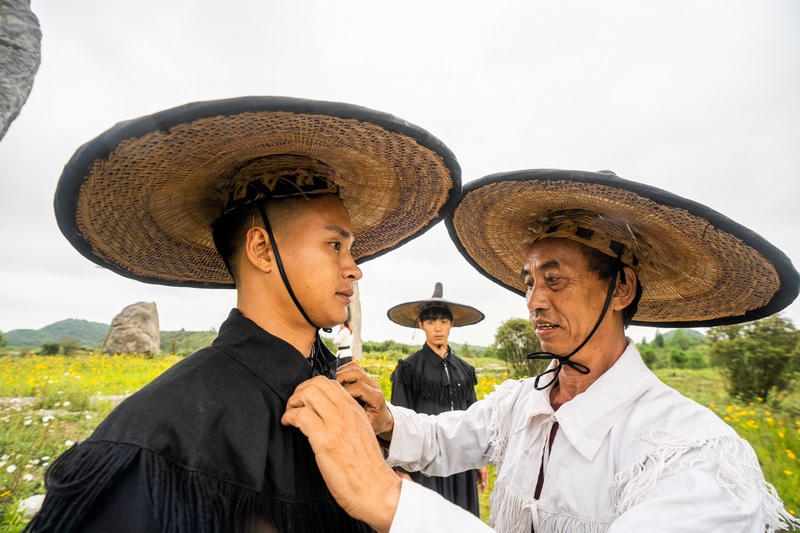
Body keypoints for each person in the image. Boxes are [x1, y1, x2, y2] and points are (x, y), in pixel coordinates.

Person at [24, 96, 462, 533]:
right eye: (334, 245)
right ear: (262, 249)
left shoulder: (349, 398)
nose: (354, 268)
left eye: (352, 250)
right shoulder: (158, 439)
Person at [283, 169, 800, 533]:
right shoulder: (522, 404)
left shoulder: (690, 453)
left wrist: (385, 497)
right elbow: (446, 437)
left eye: (556, 280)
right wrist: (385, 422)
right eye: (529, 282)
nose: (534, 301)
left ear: (621, 289)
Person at [386, 282, 489, 516]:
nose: (438, 328)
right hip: (425, 463)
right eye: (431, 321)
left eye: (443, 321)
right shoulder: (408, 369)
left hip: (462, 464)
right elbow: (399, 420)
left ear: (452, 324)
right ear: (421, 325)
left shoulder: (465, 370)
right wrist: (402, 471)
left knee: (463, 520)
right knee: (430, 520)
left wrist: (479, 461)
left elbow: (475, 418)